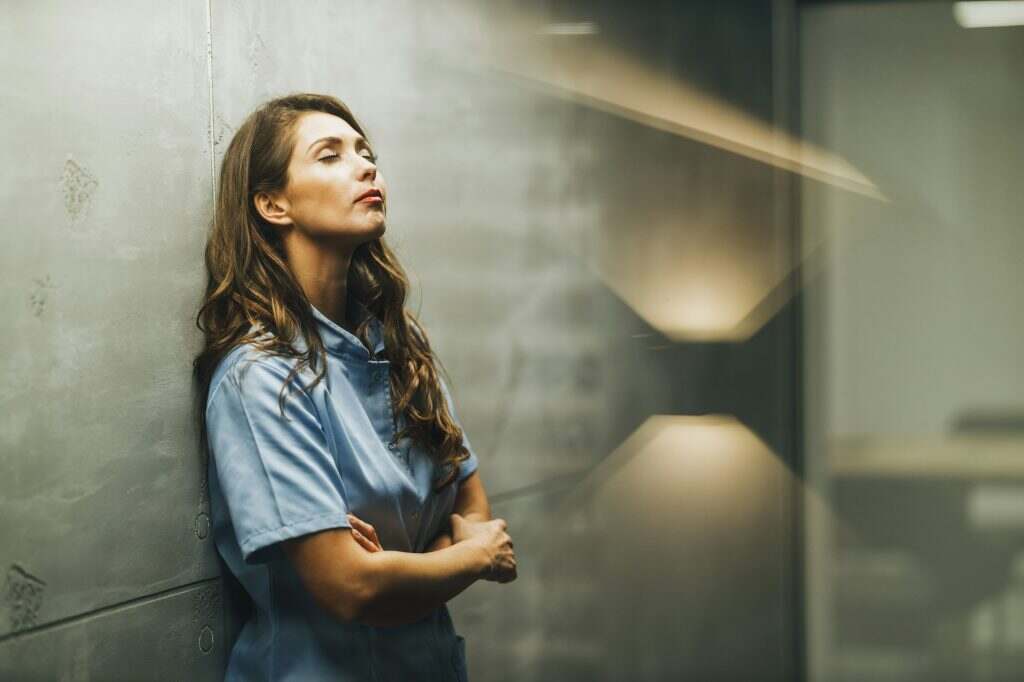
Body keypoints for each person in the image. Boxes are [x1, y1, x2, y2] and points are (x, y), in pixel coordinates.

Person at [192, 93, 517, 681]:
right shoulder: (259, 376)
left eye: (366, 153)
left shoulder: (401, 348)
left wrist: (395, 566)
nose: (366, 166)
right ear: (272, 203)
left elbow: (474, 503)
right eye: (330, 155)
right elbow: (352, 587)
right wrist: (471, 556)